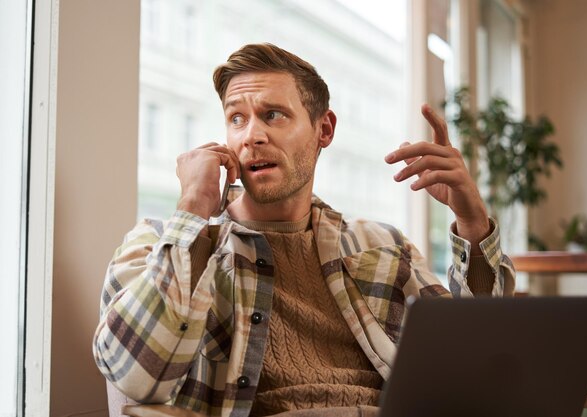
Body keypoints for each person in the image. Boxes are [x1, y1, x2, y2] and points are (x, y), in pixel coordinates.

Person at [93, 43, 515, 417]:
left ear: (323, 130)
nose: (251, 136)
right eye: (236, 119)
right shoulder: (163, 246)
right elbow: (135, 379)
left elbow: (477, 360)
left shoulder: (382, 245)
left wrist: (473, 221)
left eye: (272, 115)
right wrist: (192, 210)